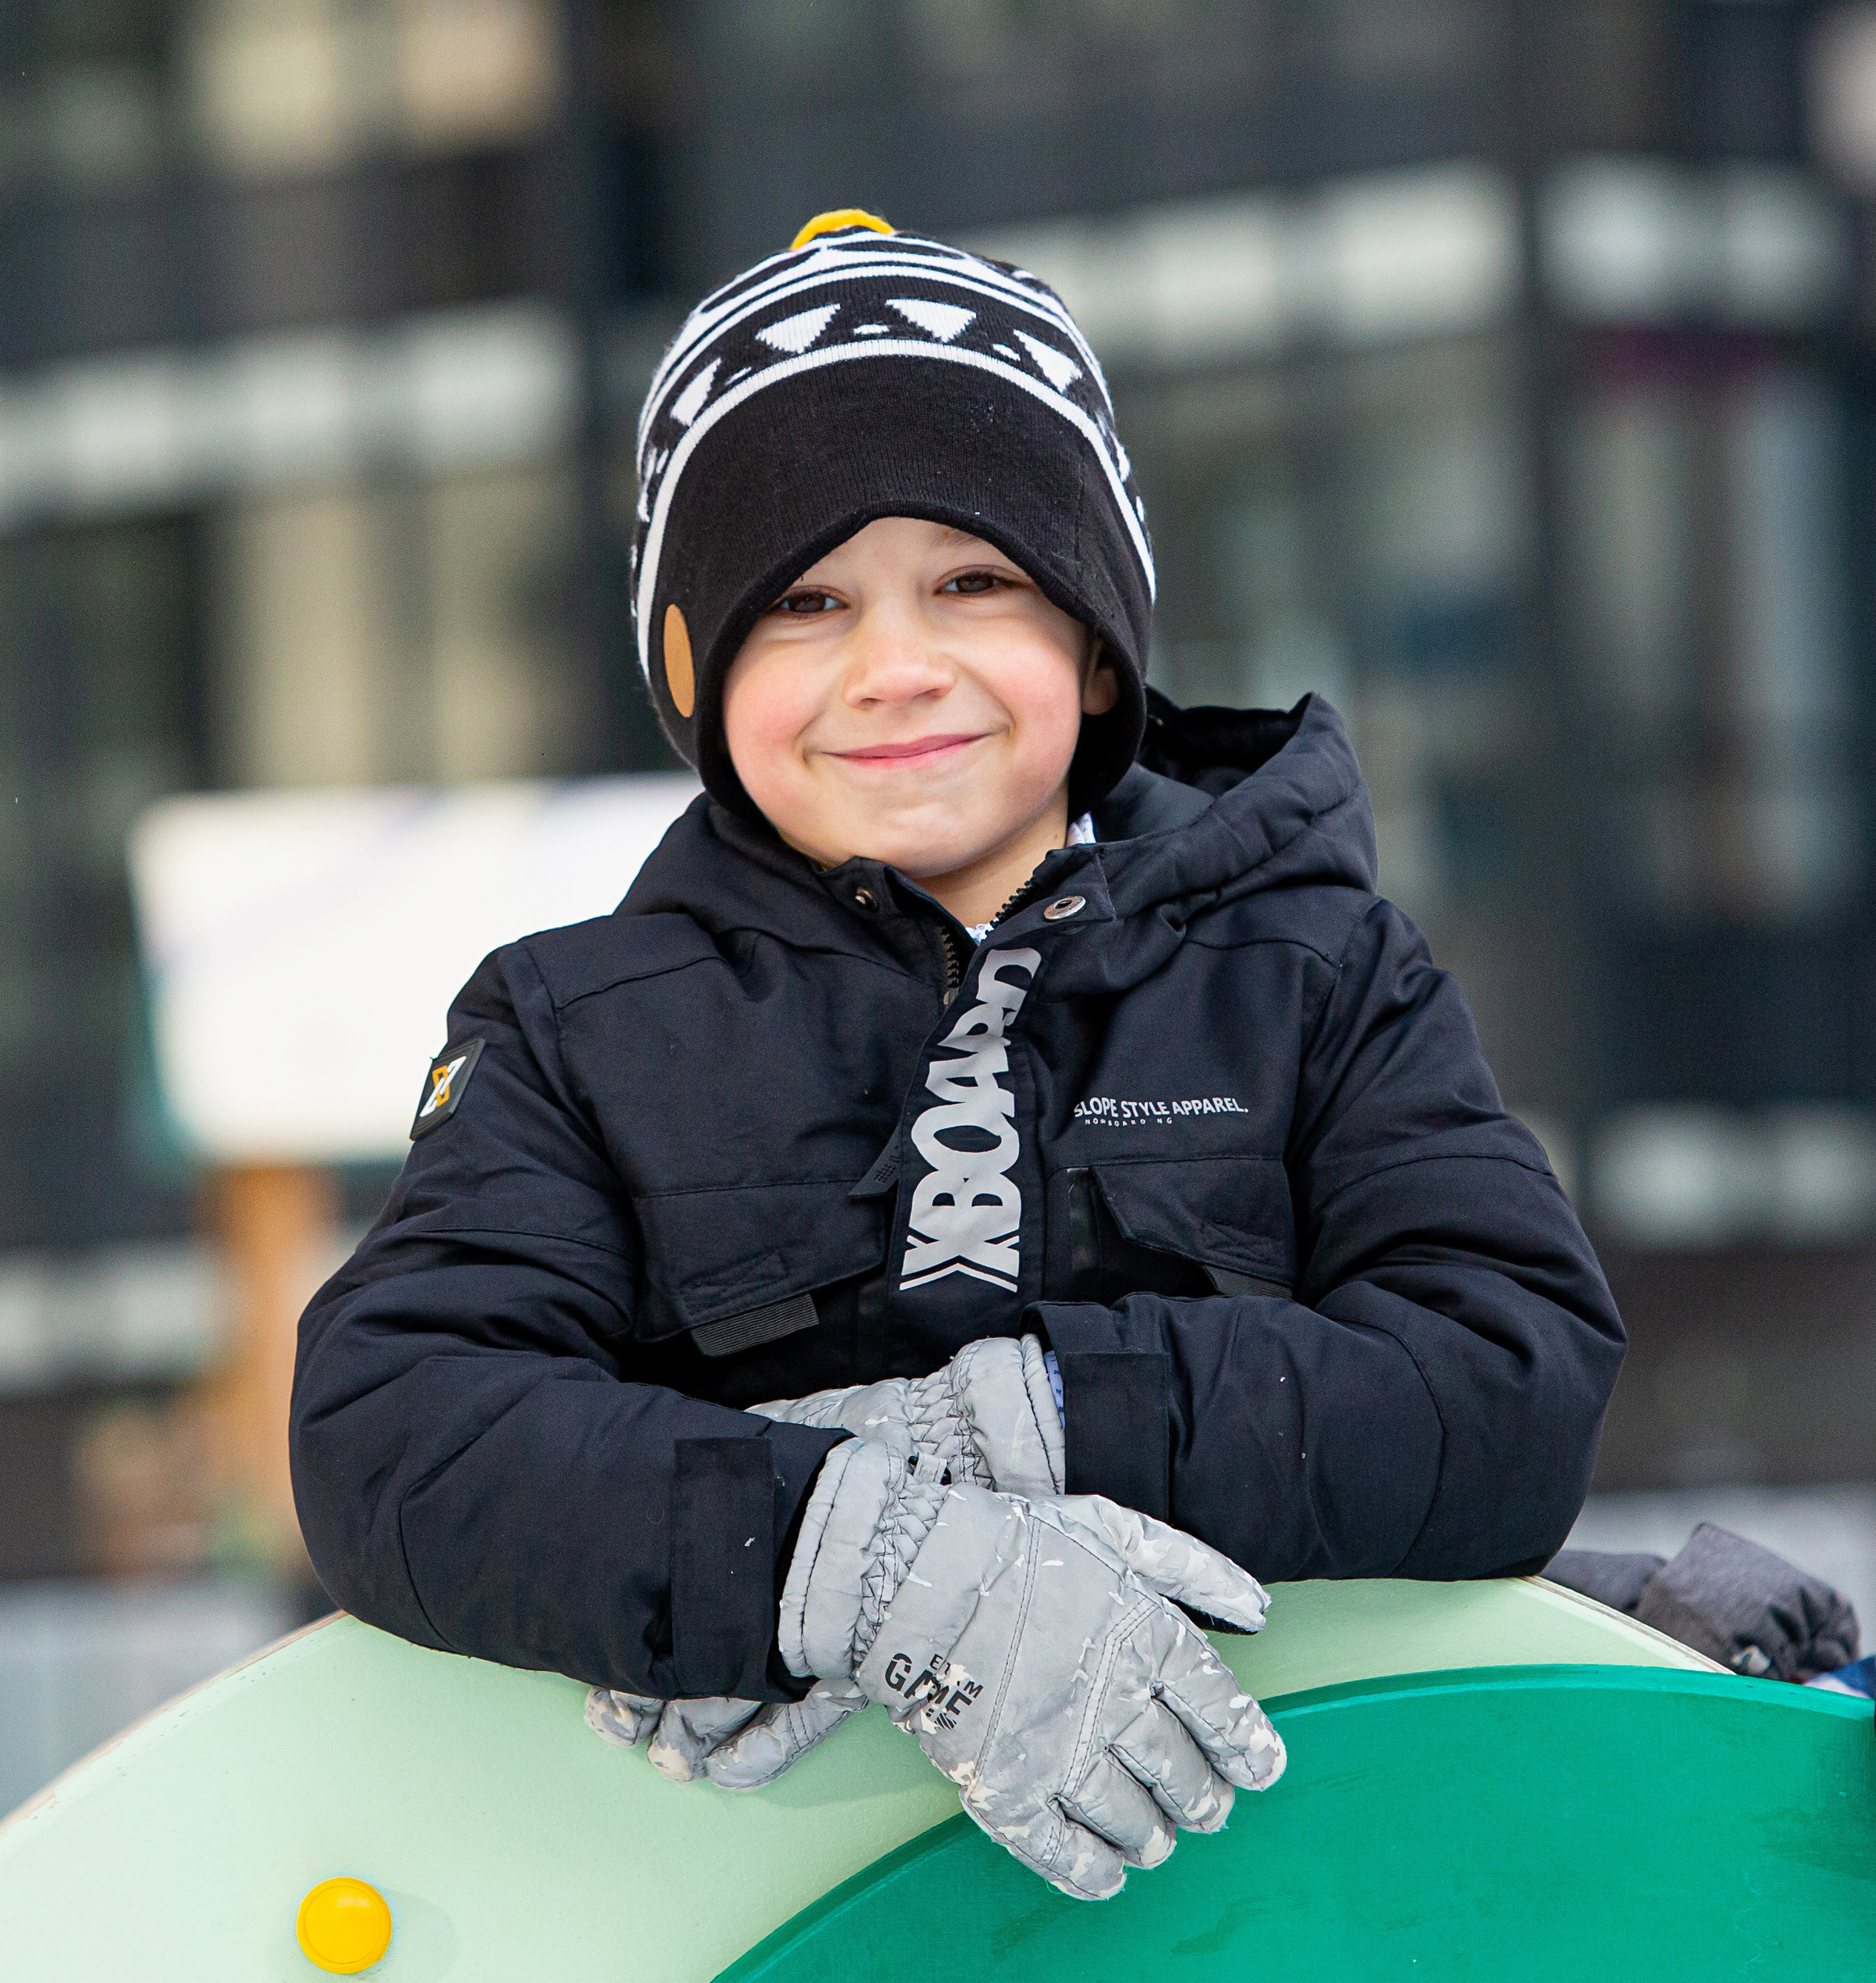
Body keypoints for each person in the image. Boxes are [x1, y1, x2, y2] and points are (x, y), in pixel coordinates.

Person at [290, 211, 1625, 1901]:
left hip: (1286, 1880)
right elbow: (396, 1433)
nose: (893, 665)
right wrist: (846, 1556)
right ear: (695, 670)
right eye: (807, 601)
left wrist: (1022, 1431)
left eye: (973, 581)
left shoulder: (1317, 973)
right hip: (747, 1909)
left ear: (1091, 633)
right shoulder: (573, 1028)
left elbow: (1506, 1379)